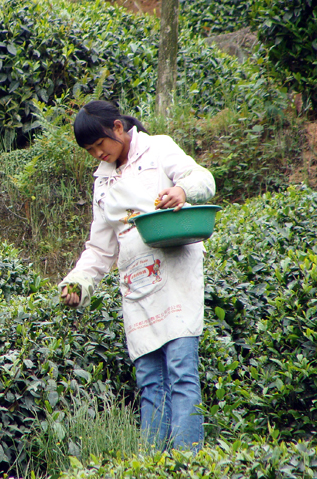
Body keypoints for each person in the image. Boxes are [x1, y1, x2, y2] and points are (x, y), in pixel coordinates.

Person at [59, 100, 215, 452]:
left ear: (117, 127)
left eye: (100, 144)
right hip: (136, 287)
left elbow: (202, 178)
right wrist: (79, 282)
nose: (98, 153)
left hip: (175, 276)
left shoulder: (157, 148)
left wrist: (182, 192)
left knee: (181, 372)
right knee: (149, 381)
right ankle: (152, 466)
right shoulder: (103, 182)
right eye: (90, 151)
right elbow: (100, 248)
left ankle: (187, 464)